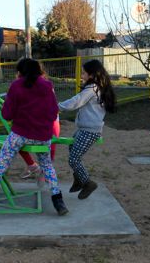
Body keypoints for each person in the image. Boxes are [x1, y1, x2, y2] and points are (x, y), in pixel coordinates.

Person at [0, 58, 68, 224]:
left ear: (20, 72)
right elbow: (53, 112)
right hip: (42, 136)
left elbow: (7, 114)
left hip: (20, 134)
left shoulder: (17, 85)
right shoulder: (47, 86)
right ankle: (58, 201)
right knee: (47, 166)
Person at [58, 59, 116, 200]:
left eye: (84, 73)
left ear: (92, 75)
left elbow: (76, 101)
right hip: (85, 128)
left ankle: (88, 183)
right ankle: (79, 179)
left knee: (74, 159)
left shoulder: (92, 88)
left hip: (90, 131)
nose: (82, 75)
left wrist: (58, 107)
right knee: (72, 149)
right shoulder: (97, 87)